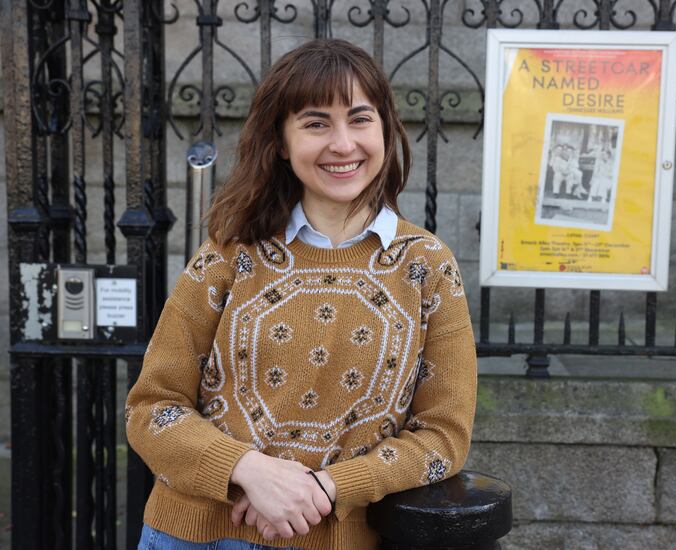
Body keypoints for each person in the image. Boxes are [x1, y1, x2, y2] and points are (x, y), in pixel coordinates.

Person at [126, 38, 477, 550]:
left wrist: (326, 487)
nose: (343, 143)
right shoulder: (229, 254)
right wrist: (247, 470)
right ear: (283, 142)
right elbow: (152, 409)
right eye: (316, 123)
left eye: (360, 119)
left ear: (385, 129)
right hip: (191, 536)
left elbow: (444, 437)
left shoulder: (427, 267)